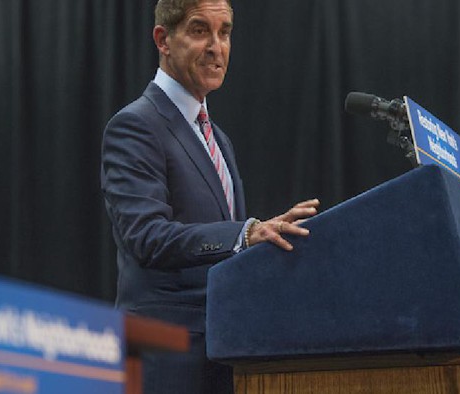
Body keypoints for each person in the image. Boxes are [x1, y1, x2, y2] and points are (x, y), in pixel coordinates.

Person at [100, 0, 319, 392]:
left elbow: (225, 250)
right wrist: (244, 234)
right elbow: (147, 237)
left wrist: (263, 241)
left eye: (225, 32)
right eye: (200, 30)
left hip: (223, 352)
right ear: (163, 40)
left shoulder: (219, 141)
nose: (217, 47)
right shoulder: (135, 126)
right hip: (163, 358)